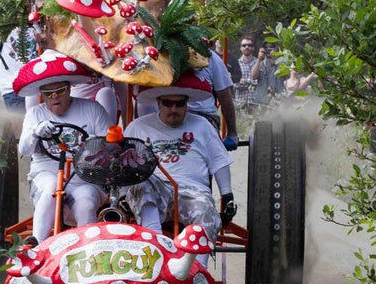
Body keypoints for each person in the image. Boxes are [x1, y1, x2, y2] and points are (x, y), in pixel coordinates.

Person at [123, 73, 235, 266]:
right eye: (167, 103)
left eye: (180, 104)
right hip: (154, 188)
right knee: (143, 182)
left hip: (192, 191)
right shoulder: (137, 127)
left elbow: (219, 161)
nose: (173, 109)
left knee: (206, 210)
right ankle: (156, 252)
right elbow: (123, 166)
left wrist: (227, 196)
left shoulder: (203, 125)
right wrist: (122, 195)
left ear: (187, 103)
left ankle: (198, 271)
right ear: (158, 102)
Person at [15, 52, 111, 242]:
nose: (55, 98)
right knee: (52, 187)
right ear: (42, 95)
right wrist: (35, 132)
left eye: (59, 91)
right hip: (47, 173)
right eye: (48, 94)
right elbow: (24, 151)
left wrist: (95, 144)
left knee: (85, 203)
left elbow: (111, 151)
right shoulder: (35, 114)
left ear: (69, 88)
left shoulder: (93, 109)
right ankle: (37, 245)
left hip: (85, 176)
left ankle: (88, 250)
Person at [233, 35, 258, 110]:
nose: (247, 47)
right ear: (241, 48)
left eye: (249, 45)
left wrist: (246, 81)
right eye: (244, 45)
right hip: (240, 104)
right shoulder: (236, 64)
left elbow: (261, 83)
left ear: (253, 48)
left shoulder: (259, 63)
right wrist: (252, 84)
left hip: (256, 104)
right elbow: (235, 85)